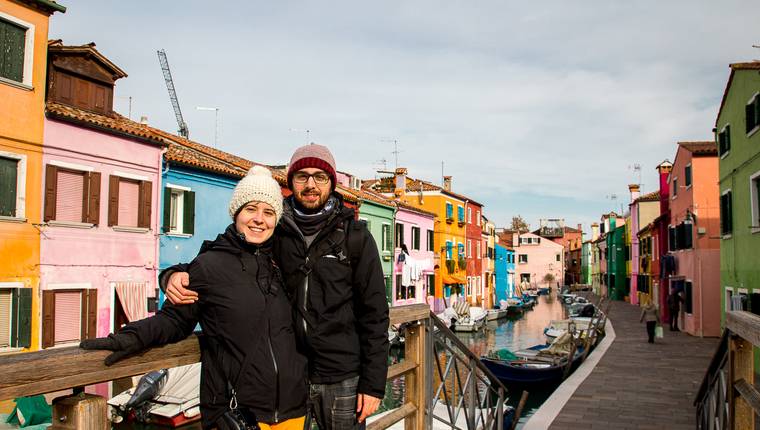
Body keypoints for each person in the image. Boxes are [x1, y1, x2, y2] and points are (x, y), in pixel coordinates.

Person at [162, 144, 390, 430]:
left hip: (342, 377)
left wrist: (373, 384)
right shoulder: (275, 229)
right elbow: (229, 253)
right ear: (290, 182)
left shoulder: (355, 237)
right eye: (302, 176)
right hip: (292, 379)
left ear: (331, 183)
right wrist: (174, 273)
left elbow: (375, 314)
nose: (310, 184)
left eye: (320, 177)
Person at [81, 167, 307, 430]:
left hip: (293, 411)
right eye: (251, 209)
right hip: (239, 415)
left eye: (268, 212)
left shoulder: (282, 265)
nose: (259, 219)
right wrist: (129, 336)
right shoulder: (209, 266)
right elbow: (174, 320)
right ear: (236, 213)